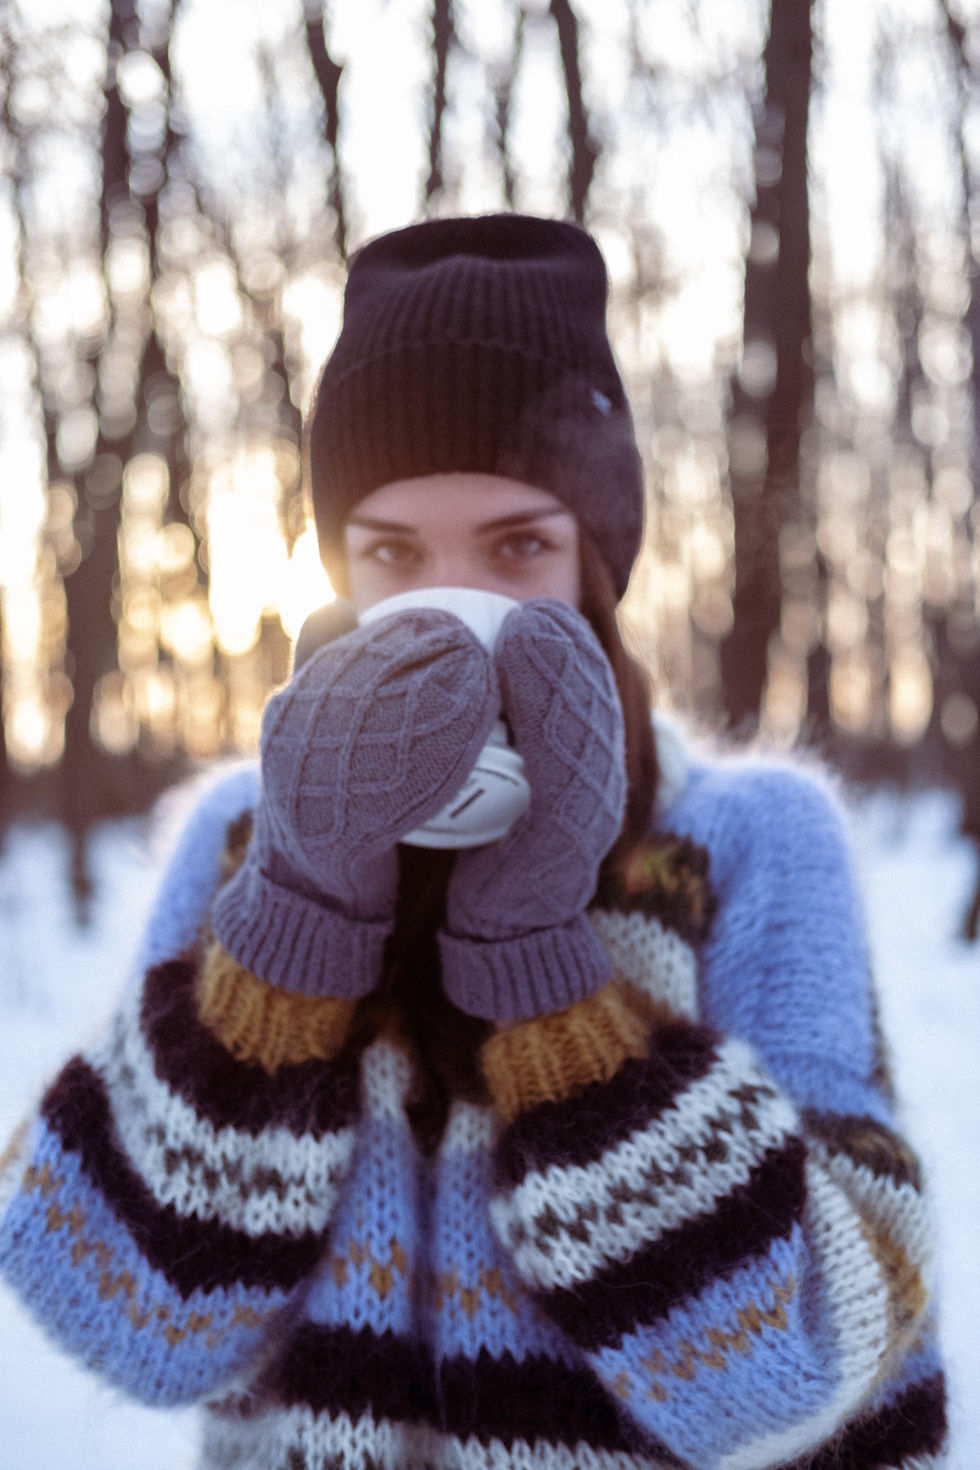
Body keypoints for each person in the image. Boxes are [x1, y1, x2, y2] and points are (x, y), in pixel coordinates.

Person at [0, 214, 947, 1470]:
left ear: (595, 567)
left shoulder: (740, 845)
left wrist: (550, 988)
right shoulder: (243, 842)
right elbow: (133, 1317)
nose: (455, 612)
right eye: (391, 553)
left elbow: (811, 1363)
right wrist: (293, 928)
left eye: (517, 547)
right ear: (333, 569)